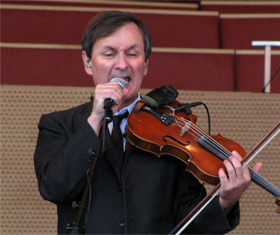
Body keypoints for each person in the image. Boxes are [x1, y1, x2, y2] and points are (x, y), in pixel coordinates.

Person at [34, 11, 262, 234]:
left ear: (145, 65)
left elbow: (189, 224)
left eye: (132, 54)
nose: (122, 64)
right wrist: (95, 119)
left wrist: (225, 200)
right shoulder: (58, 124)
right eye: (109, 53)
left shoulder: (172, 127)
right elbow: (54, 188)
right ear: (87, 62)